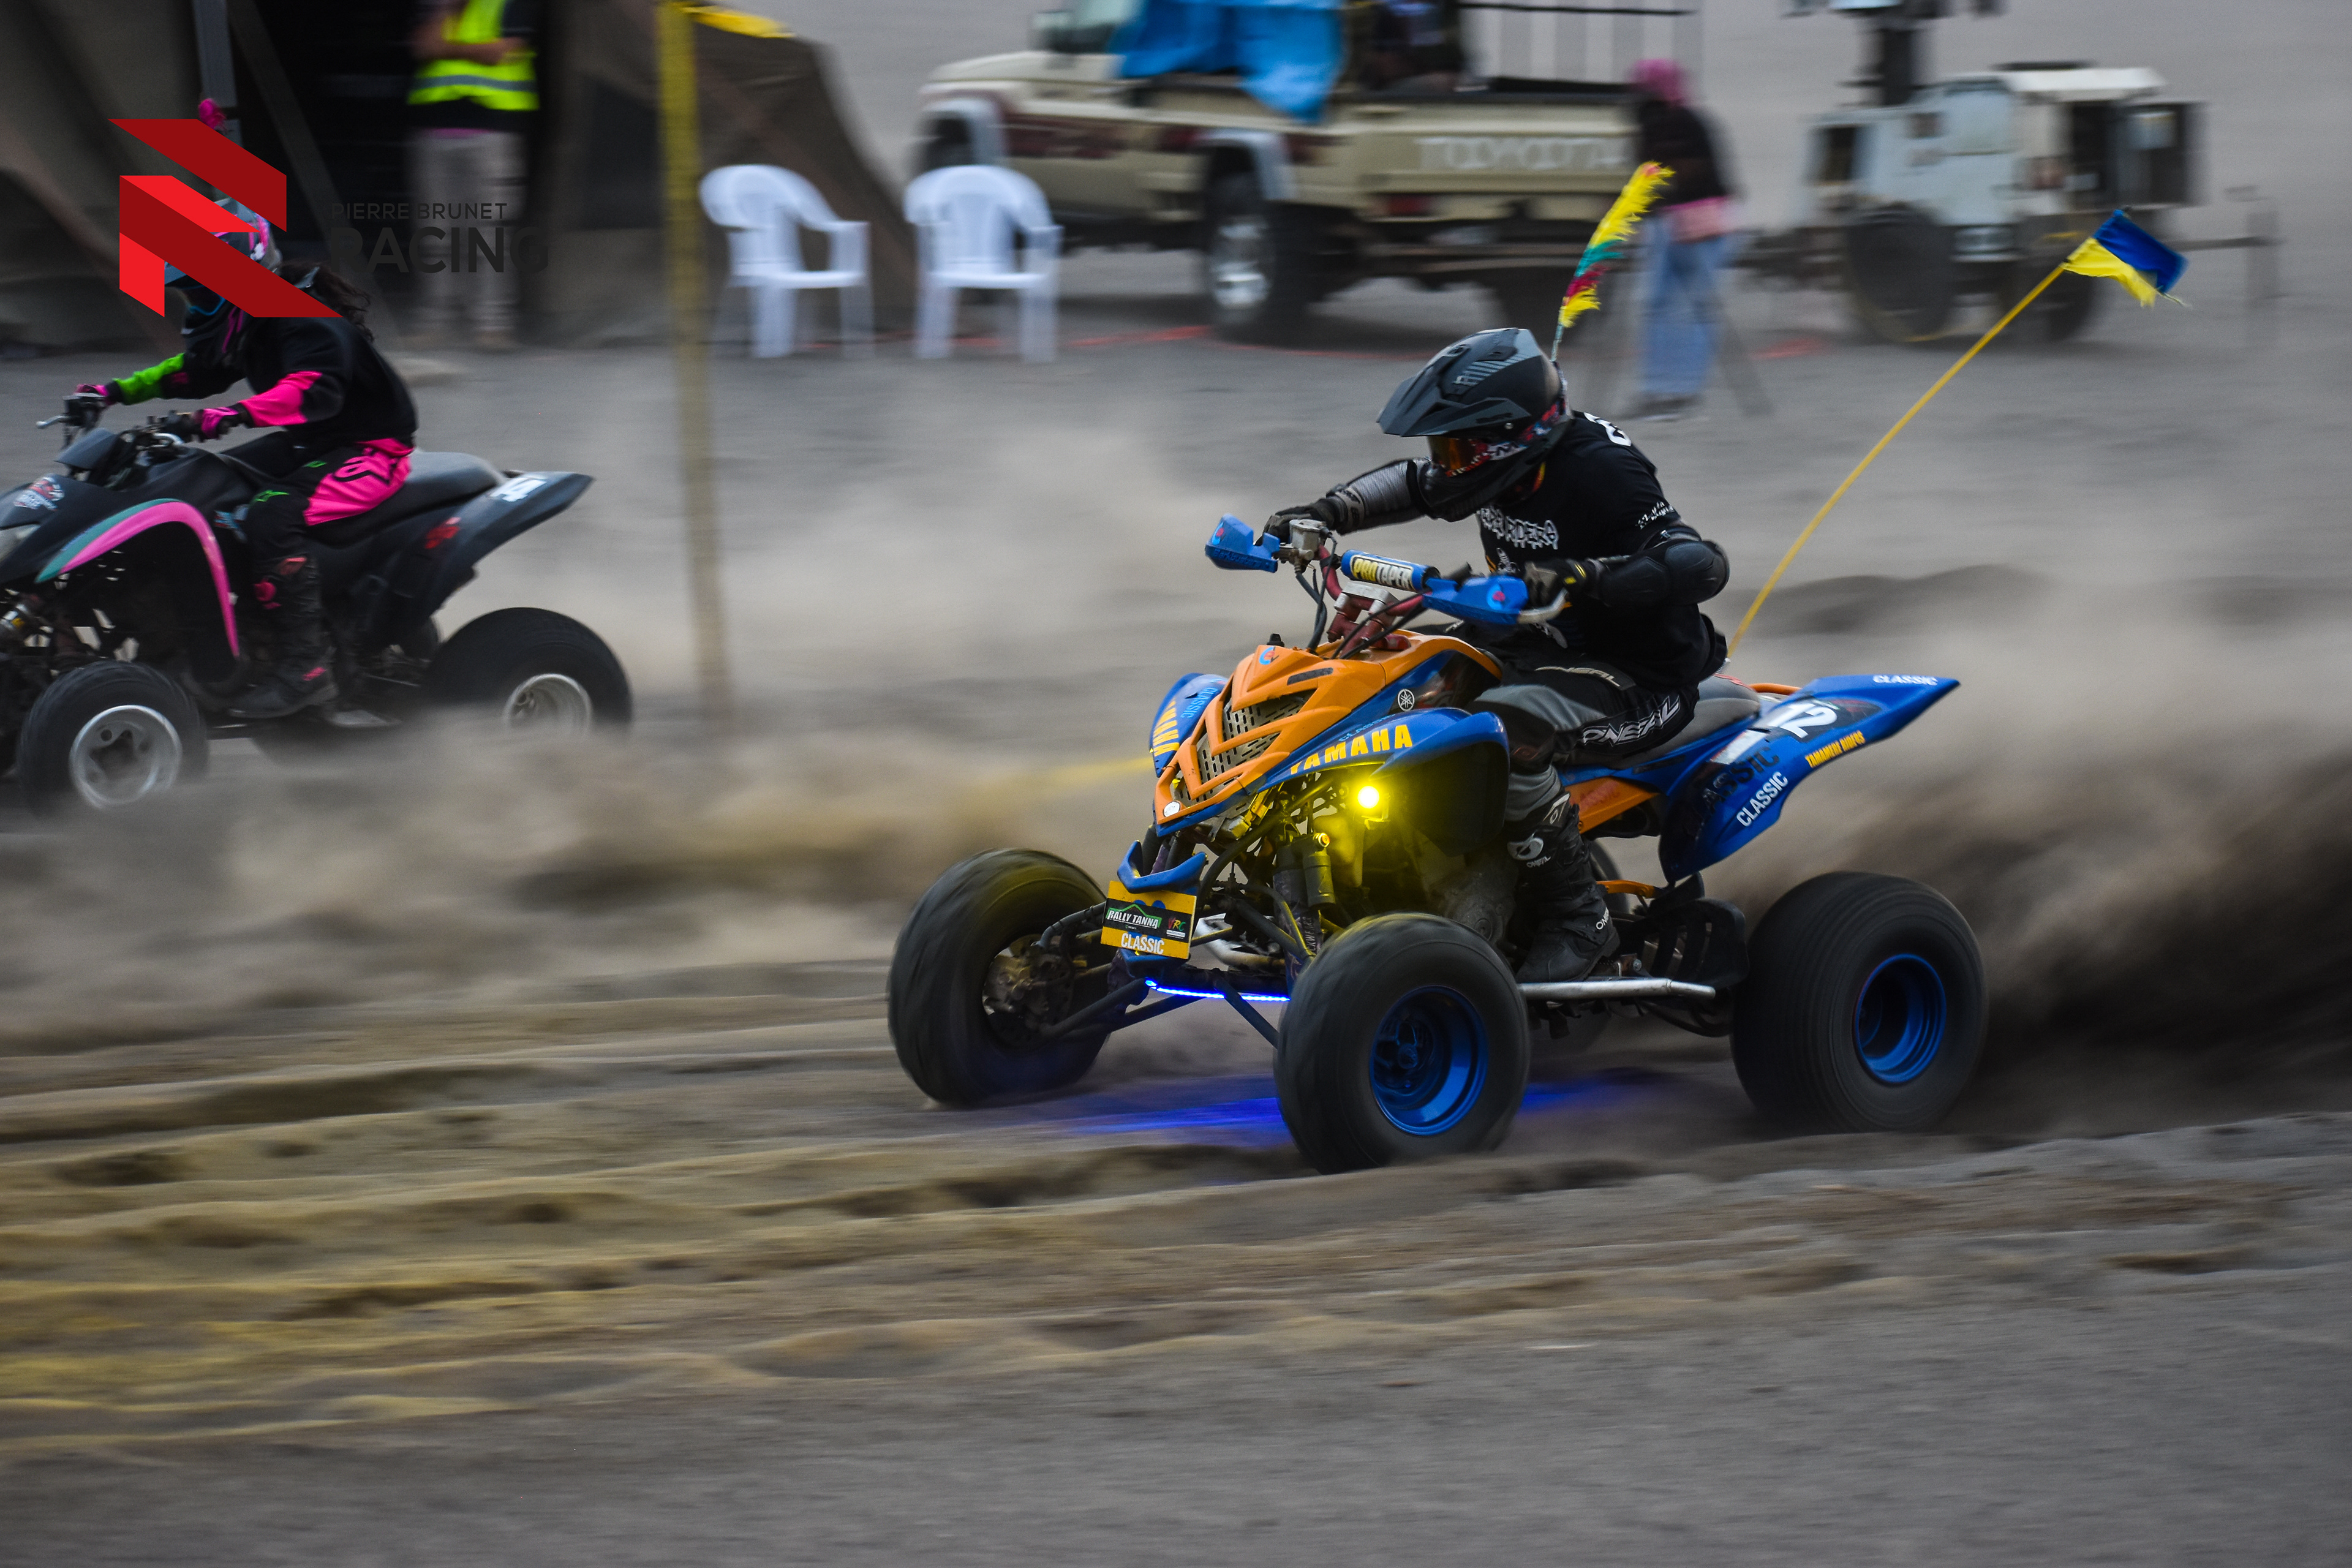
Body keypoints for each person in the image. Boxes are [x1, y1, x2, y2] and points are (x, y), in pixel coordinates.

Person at [1266, 328, 1729, 982]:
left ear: (1511, 437)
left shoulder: (1600, 470)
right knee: (1379, 687)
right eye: (1444, 446)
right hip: (1533, 649)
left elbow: (1700, 562)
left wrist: (1585, 579)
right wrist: (1324, 513)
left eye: (1457, 447)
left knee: (1502, 738)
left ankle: (1580, 917)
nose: (1446, 462)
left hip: (1637, 675)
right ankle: (1386, 875)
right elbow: (1416, 486)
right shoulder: (1491, 467)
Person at [75, 204, 420, 720]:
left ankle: (306, 667)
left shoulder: (305, 320)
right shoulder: (252, 322)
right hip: (310, 443)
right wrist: (110, 392)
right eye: (192, 293)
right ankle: (207, 637)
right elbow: (193, 371)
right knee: (200, 485)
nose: (199, 303)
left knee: (272, 513)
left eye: (207, 291)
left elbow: (311, 394)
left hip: (370, 448)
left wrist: (225, 416)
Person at [408, 0, 539, 351]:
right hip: (434, 135)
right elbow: (423, 47)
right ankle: (437, 322)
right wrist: (442, 14)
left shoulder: (507, 5)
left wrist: (447, 48)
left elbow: (502, 52)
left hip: (492, 135)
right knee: (437, 234)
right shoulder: (437, 6)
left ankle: (492, 325)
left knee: (488, 233)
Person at [1627, 58, 1737, 420]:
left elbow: (1699, 169)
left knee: (1694, 307)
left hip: (1699, 223)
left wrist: (1660, 178)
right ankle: (1656, 389)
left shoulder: (1689, 122)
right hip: (1665, 224)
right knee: (1658, 306)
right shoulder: (1646, 125)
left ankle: (1685, 391)